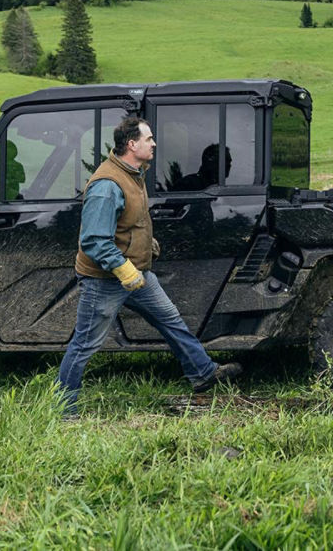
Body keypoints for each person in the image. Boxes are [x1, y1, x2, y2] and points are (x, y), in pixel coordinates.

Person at [56, 117, 240, 416]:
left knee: (171, 320)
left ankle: (203, 373)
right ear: (132, 144)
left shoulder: (133, 174)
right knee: (85, 344)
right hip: (105, 279)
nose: (154, 143)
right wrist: (125, 268)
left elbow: (128, 222)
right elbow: (93, 240)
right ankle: (65, 409)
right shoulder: (107, 185)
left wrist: (145, 243)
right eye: (149, 138)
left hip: (137, 273)